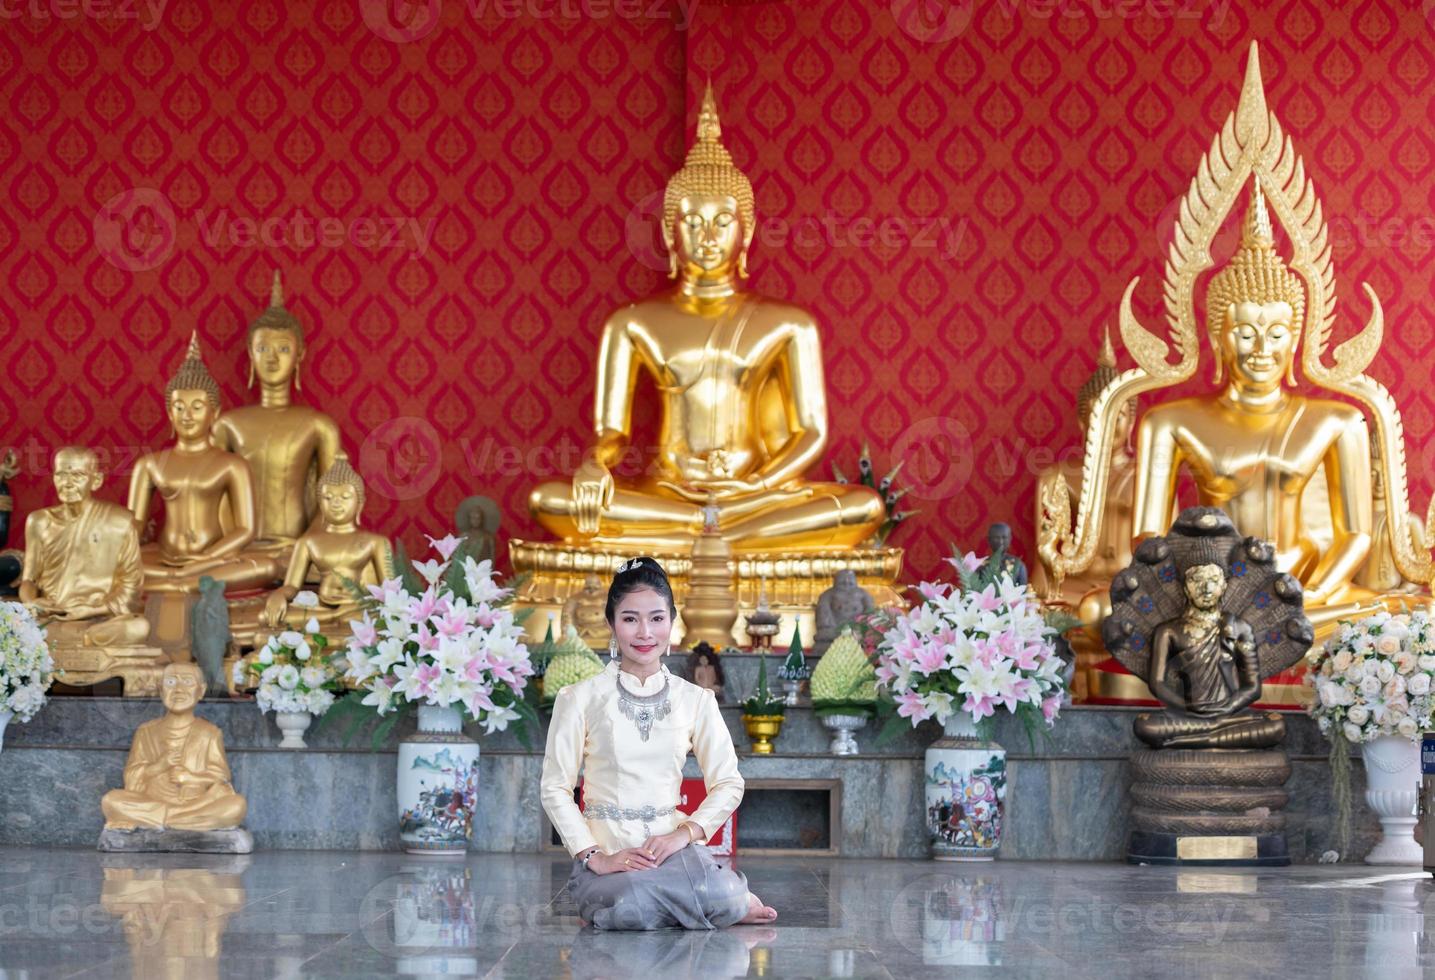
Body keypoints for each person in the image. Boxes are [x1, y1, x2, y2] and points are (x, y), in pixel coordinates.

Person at [540, 556, 778, 930]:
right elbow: (555, 787)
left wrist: (683, 835)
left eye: (656, 618)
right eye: (630, 619)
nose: (644, 633)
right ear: (611, 625)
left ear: (672, 622)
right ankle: (705, 903)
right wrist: (594, 857)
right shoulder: (580, 698)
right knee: (633, 899)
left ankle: (720, 898)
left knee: (686, 899)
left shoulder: (695, 700)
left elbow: (729, 782)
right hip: (609, 855)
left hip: (672, 853)